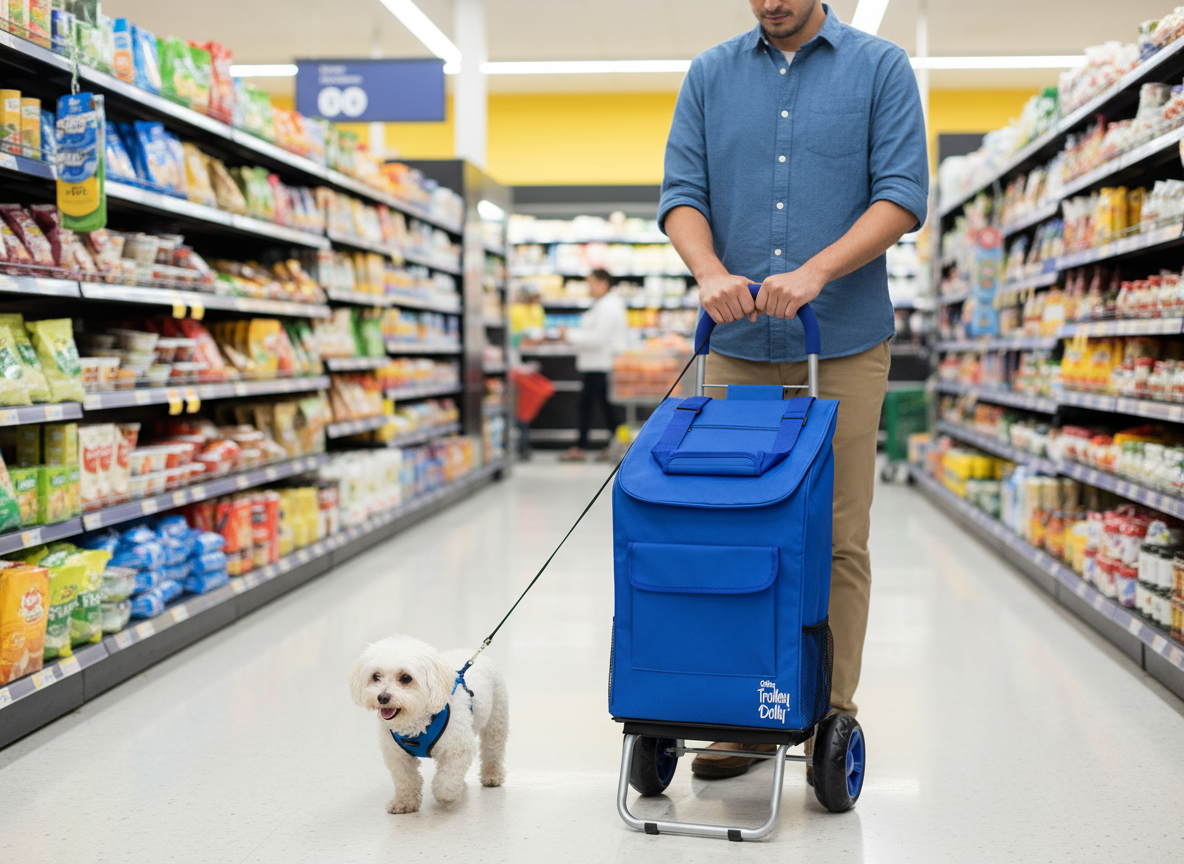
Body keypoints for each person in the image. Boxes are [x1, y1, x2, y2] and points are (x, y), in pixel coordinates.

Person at [660, 0, 928, 779]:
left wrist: (816, 272)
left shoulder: (880, 68)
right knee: (737, 531)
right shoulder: (710, 74)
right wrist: (709, 273)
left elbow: (903, 194)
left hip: (840, 340)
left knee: (838, 536)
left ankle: (830, 715)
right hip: (737, 347)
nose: (770, 2)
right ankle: (748, 715)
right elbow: (681, 194)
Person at [562, 268, 628, 462]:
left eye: (591, 284)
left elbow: (598, 337)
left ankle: (581, 446)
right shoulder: (604, 304)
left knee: (590, 406)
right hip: (598, 363)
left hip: (601, 363)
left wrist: (569, 335)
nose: (589, 288)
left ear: (603, 283)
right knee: (607, 408)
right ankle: (614, 444)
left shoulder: (608, 306)